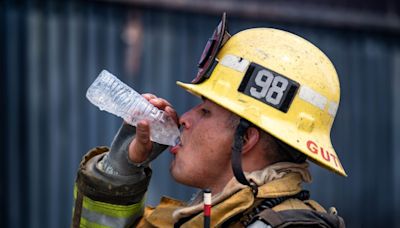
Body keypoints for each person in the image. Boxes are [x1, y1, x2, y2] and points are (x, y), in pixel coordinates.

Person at [72, 13, 346, 227]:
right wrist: (123, 167)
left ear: (247, 138)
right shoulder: (204, 218)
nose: (184, 119)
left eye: (205, 111)